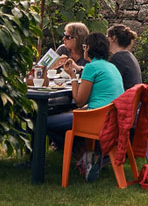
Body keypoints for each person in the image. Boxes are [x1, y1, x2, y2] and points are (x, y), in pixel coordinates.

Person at [46, 33, 124, 166]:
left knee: (44, 121)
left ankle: (82, 155)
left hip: (96, 120)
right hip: (112, 119)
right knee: (63, 119)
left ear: (88, 48)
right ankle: (85, 155)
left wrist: (72, 76)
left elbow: (79, 101)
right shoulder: (111, 67)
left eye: (84, 47)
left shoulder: (91, 67)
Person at [107, 24, 142, 90]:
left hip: (125, 98)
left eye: (107, 37)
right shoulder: (129, 56)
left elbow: (108, 84)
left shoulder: (117, 59)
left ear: (113, 38)